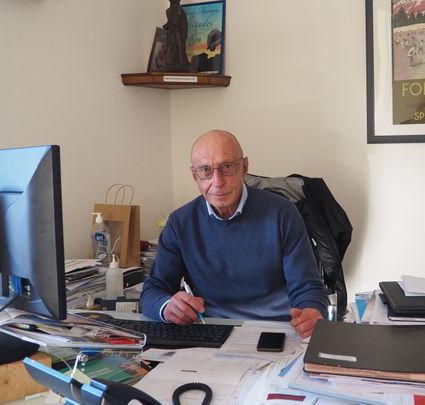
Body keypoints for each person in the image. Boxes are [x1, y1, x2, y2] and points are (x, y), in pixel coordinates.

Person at [140, 130, 328, 338]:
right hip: (211, 333)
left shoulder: (283, 214)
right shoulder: (180, 223)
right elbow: (153, 290)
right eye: (205, 171)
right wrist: (167, 307)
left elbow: (308, 286)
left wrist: (312, 311)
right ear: (195, 176)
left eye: (227, 167)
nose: (218, 182)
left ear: (244, 168)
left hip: (276, 331)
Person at [162, 0, 188, 70]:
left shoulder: (180, 10)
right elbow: (169, 22)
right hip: (171, 32)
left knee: (179, 46)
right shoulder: (168, 11)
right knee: (170, 46)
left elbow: (184, 24)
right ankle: (171, 62)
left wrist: (184, 35)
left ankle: (181, 63)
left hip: (178, 32)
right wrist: (165, 26)